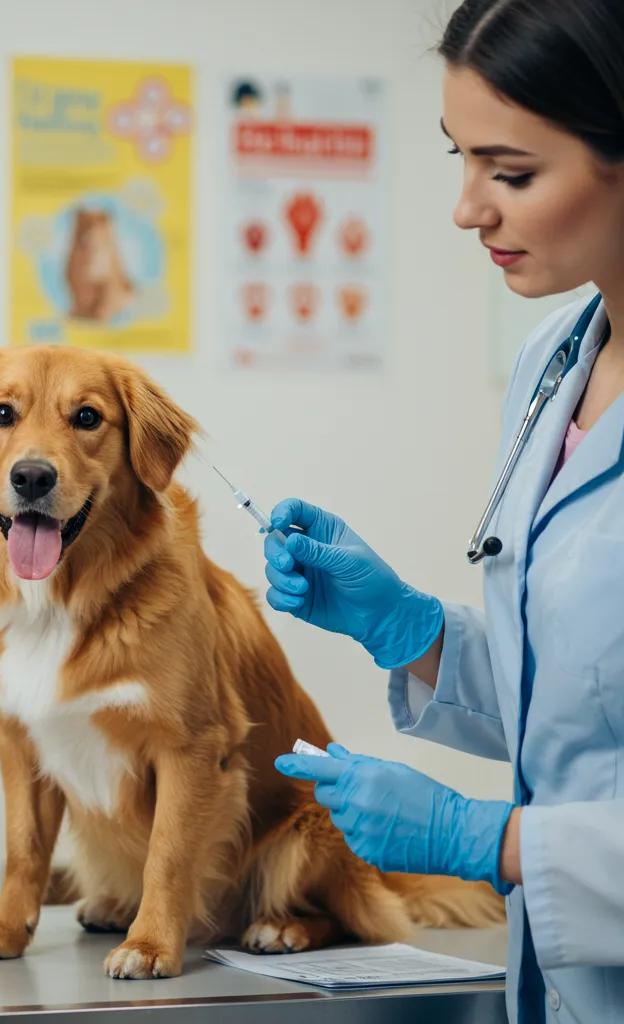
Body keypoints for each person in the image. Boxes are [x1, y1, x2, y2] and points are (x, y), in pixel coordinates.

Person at [268, 2, 624, 1022]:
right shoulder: (552, 361)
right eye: (458, 159)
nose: (467, 208)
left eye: (509, 173)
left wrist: (489, 841)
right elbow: (584, 703)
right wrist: (415, 634)